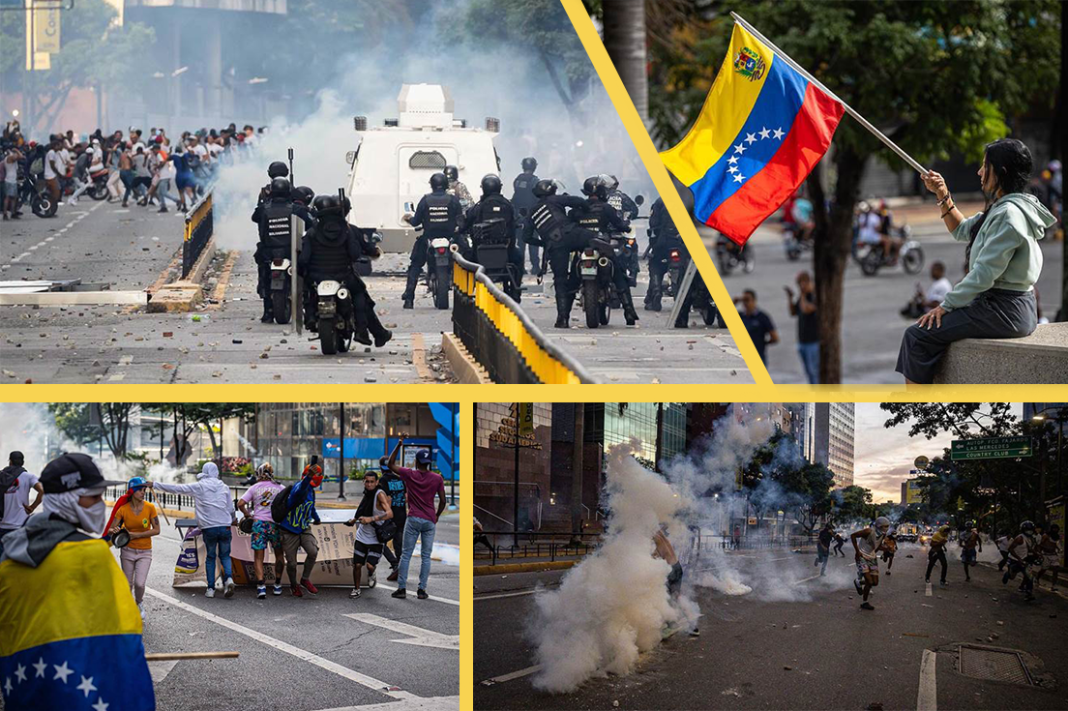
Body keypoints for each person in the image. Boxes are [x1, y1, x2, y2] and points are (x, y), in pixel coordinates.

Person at [0, 453, 155, 711]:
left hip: (26, 688)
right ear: (68, 498)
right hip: (78, 693)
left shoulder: (8, 552)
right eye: (93, 497)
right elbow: (123, 631)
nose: (100, 504)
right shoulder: (91, 555)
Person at [899, 139, 1054, 384]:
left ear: (1001, 172)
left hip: (1003, 310)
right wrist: (942, 194)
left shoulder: (1008, 214)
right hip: (1006, 307)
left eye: (985, 166)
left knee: (916, 336)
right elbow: (961, 229)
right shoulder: (1005, 208)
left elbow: (983, 275)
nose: (979, 172)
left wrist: (947, 305)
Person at [299, 193, 392, 347]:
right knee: (359, 293)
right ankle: (362, 331)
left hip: (317, 277)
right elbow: (355, 253)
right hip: (343, 275)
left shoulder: (312, 232)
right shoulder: (348, 230)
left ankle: (310, 317)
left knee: (307, 290)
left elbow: (304, 259)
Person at [150, 462, 236, 598]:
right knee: (225, 555)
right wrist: (232, 520)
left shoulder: (199, 486)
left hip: (209, 527)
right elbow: (231, 509)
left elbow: (177, 489)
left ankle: (211, 589)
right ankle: (229, 580)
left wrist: (154, 485)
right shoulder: (224, 487)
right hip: (225, 526)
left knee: (211, 557)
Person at [521, 179, 597, 328]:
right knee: (599, 240)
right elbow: (578, 201)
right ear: (552, 190)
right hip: (572, 234)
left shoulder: (532, 212)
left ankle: (562, 319)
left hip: (554, 246)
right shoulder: (556, 199)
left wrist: (545, 243)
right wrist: (588, 210)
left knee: (560, 280)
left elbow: (526, 237)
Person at [568, 175, 639, 325]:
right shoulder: (606, 208)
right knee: (619, 274)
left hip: (582, 246)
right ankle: (629, 312)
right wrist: (625, 226)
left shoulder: (577, 208)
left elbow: (569, 224)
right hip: (603, 246)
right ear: (602, 191)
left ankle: (563, 316)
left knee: (571, 280)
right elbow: (619, 224)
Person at [386, 439, 447, 600]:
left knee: (406, 555)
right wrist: (437, 515)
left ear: (416, 461)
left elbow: (390, 464)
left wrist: (399, 445)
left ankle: (402, 588)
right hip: (429, 520)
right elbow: (443, 501)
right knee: (426, 557)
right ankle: (421, 590)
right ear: (428, 463)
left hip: (413, 518)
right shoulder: (437, 478)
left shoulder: (410, 474)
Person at [402, 173, 463, 309]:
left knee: (416, 265)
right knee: (466, 259)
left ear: (432, 185)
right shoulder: (453, 200)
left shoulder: (425, 200)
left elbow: (416, 221)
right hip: (450, 239)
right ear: (447, 185)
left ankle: (409, 298)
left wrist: (409, 219)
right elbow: (460, 220)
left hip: (428, 238)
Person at [461, 174, 522, 294]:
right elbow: (517, 220)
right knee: (519, 259)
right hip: (506, 252)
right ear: (499, 187)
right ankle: (516, 292)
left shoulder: (478, 207)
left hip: (479, 254)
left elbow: (466, 221)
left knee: (464, 260)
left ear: (483, 188)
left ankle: (466, 292)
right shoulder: (508, 205)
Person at [107, 477, 159, 617]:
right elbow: (112, 528)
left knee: (140, 584)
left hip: (145, 551)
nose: (143, 492)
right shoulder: (123, 510)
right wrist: (115, 531)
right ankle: (128, 608)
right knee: (127, 584)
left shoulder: (150, 508)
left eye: (144, 490)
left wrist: (136, 535)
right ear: (133, 491)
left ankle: (139, 603)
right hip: (127, 551)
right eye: (140, 490)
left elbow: (156, 530)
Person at [237, 463, 286, 599]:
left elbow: (240, 504)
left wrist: (247, 515)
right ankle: (277, 584)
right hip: (275, 525)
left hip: (259, 524)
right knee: (279, 554)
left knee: (259, 556)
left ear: (259, 474)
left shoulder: (254, 488)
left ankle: (261, 586)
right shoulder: (280, 487)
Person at [276, 460, 323, 598]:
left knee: (313, 551)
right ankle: (293, 585)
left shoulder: (312, 492)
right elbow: (301, 488)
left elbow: (311, 507)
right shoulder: (299, 487)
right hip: (288, 530)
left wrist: (317, 518)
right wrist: (308, 477)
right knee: (292, 563)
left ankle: (305, 579)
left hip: (304, 529)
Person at [253, 177, 296, 323]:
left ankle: (268, 312)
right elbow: (310, 223)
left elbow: (255, 218)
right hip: (290, 251)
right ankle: (309, 311)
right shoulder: (295, 209)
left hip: (269, 251)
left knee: (264, 275)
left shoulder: (264, 208)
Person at [344, 470, 393, 599]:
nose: (370, 484)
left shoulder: (379, 495)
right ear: (364, 482)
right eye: (367, 482)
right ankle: (356, 589)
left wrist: (371, 519)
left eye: (372, 482)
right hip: (362, 535)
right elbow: (362, 510)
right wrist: (354, 520)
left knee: (370, 565)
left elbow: (389, 513)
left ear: (377, 482)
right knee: (357, 565)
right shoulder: (367, 495)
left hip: (376, 538)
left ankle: (372, 573)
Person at [654, 526, 698, 636]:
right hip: (677, 567)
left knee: (668, 599)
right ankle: (692, 626)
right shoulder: (658, 533)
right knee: (675, 597)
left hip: (671, 570)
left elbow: (654, 557)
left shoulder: (652, 537)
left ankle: (671, 626)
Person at [0, 451, 43, 558]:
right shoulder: (29, 477)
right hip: (20, 525)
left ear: (10, 461)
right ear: (22, 462)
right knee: (18, 559)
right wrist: (32, 507)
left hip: (1, 525)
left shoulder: (1, 476)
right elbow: (42, 491)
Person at [376, 456, 407, 581]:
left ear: (381, 468)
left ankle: (394, 564)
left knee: (379, 541)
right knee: (398, 543)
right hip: (402, 515)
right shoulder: (400, 479)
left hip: (390, 517)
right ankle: (400, 567)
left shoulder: (383, 480)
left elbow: (386, 500)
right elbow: (406, 496)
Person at [785, 271, 819, 384]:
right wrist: (790, 298)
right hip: (803, 341)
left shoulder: (815, 296)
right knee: (809, 372)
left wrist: (803, 294)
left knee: (814, 371)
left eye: (802, 283)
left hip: (813, 342)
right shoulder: (802, 298)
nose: (800, 286)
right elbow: (793, 312)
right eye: (799, 284)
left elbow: (806, 310)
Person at [851, 517, 890, 610]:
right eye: (885, 526)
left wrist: (886, 549)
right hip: (862, 557)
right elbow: (853, 536)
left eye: (888, 526)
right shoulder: (868, 531)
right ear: (879, 526)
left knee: (875, 582)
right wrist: (857, 551)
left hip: (872, 558)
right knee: (869, 581)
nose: (887, 528)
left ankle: (859, 581)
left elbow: (877, 547)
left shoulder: (883, 535)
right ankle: (865, 602)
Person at [512, 156, 541, 274]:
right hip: (532, 215)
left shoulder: (517, 180)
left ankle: (521, 267)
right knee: (533, 242)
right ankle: (535, 267)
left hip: (519, 215)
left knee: (521, 243)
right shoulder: (535, 181)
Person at [734, 290, 779, 365]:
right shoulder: (740, 316)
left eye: (747, 300)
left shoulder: (762, 317)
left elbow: (775, 337)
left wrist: (762, 343)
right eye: (743, 300)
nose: (745, 303)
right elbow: (723, 321)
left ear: (754, 301)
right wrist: (734, 302)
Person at [1005, 520, 1040, 600]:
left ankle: (1029, 593)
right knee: (1011, 577)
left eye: (1031, 530)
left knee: (1029, 575)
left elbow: (1029, 548)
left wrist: (1037, 554)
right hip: (1015, 560)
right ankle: (1009, 572)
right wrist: (1019, 558)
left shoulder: (1030, 538)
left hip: (1024, 560)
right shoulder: (1019, 538)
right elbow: (1010, 549)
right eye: (1028, 530)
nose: (1029, 531)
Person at [1035, 523, 1061, 592]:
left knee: (1056, 569)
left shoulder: (1057, 536)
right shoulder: (1045, 535)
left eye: (1056, 529)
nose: (1055, 530)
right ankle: (1037, 578)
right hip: (1045, 555)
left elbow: (1055, 544)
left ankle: (1053, 586)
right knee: (1044, 569)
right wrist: (1039, 553)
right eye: (1054, 529)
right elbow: (1040, 545)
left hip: (1053, 555)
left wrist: (1058, 549)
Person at [2, 146, 22, 220]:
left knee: (13, 197)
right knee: (8, 197)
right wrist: (16, 150)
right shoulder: (10, 158)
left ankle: (12, 212)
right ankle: (6, 213)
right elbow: (21, 156)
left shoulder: (6, 159)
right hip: (11, 180)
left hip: (10, 179)